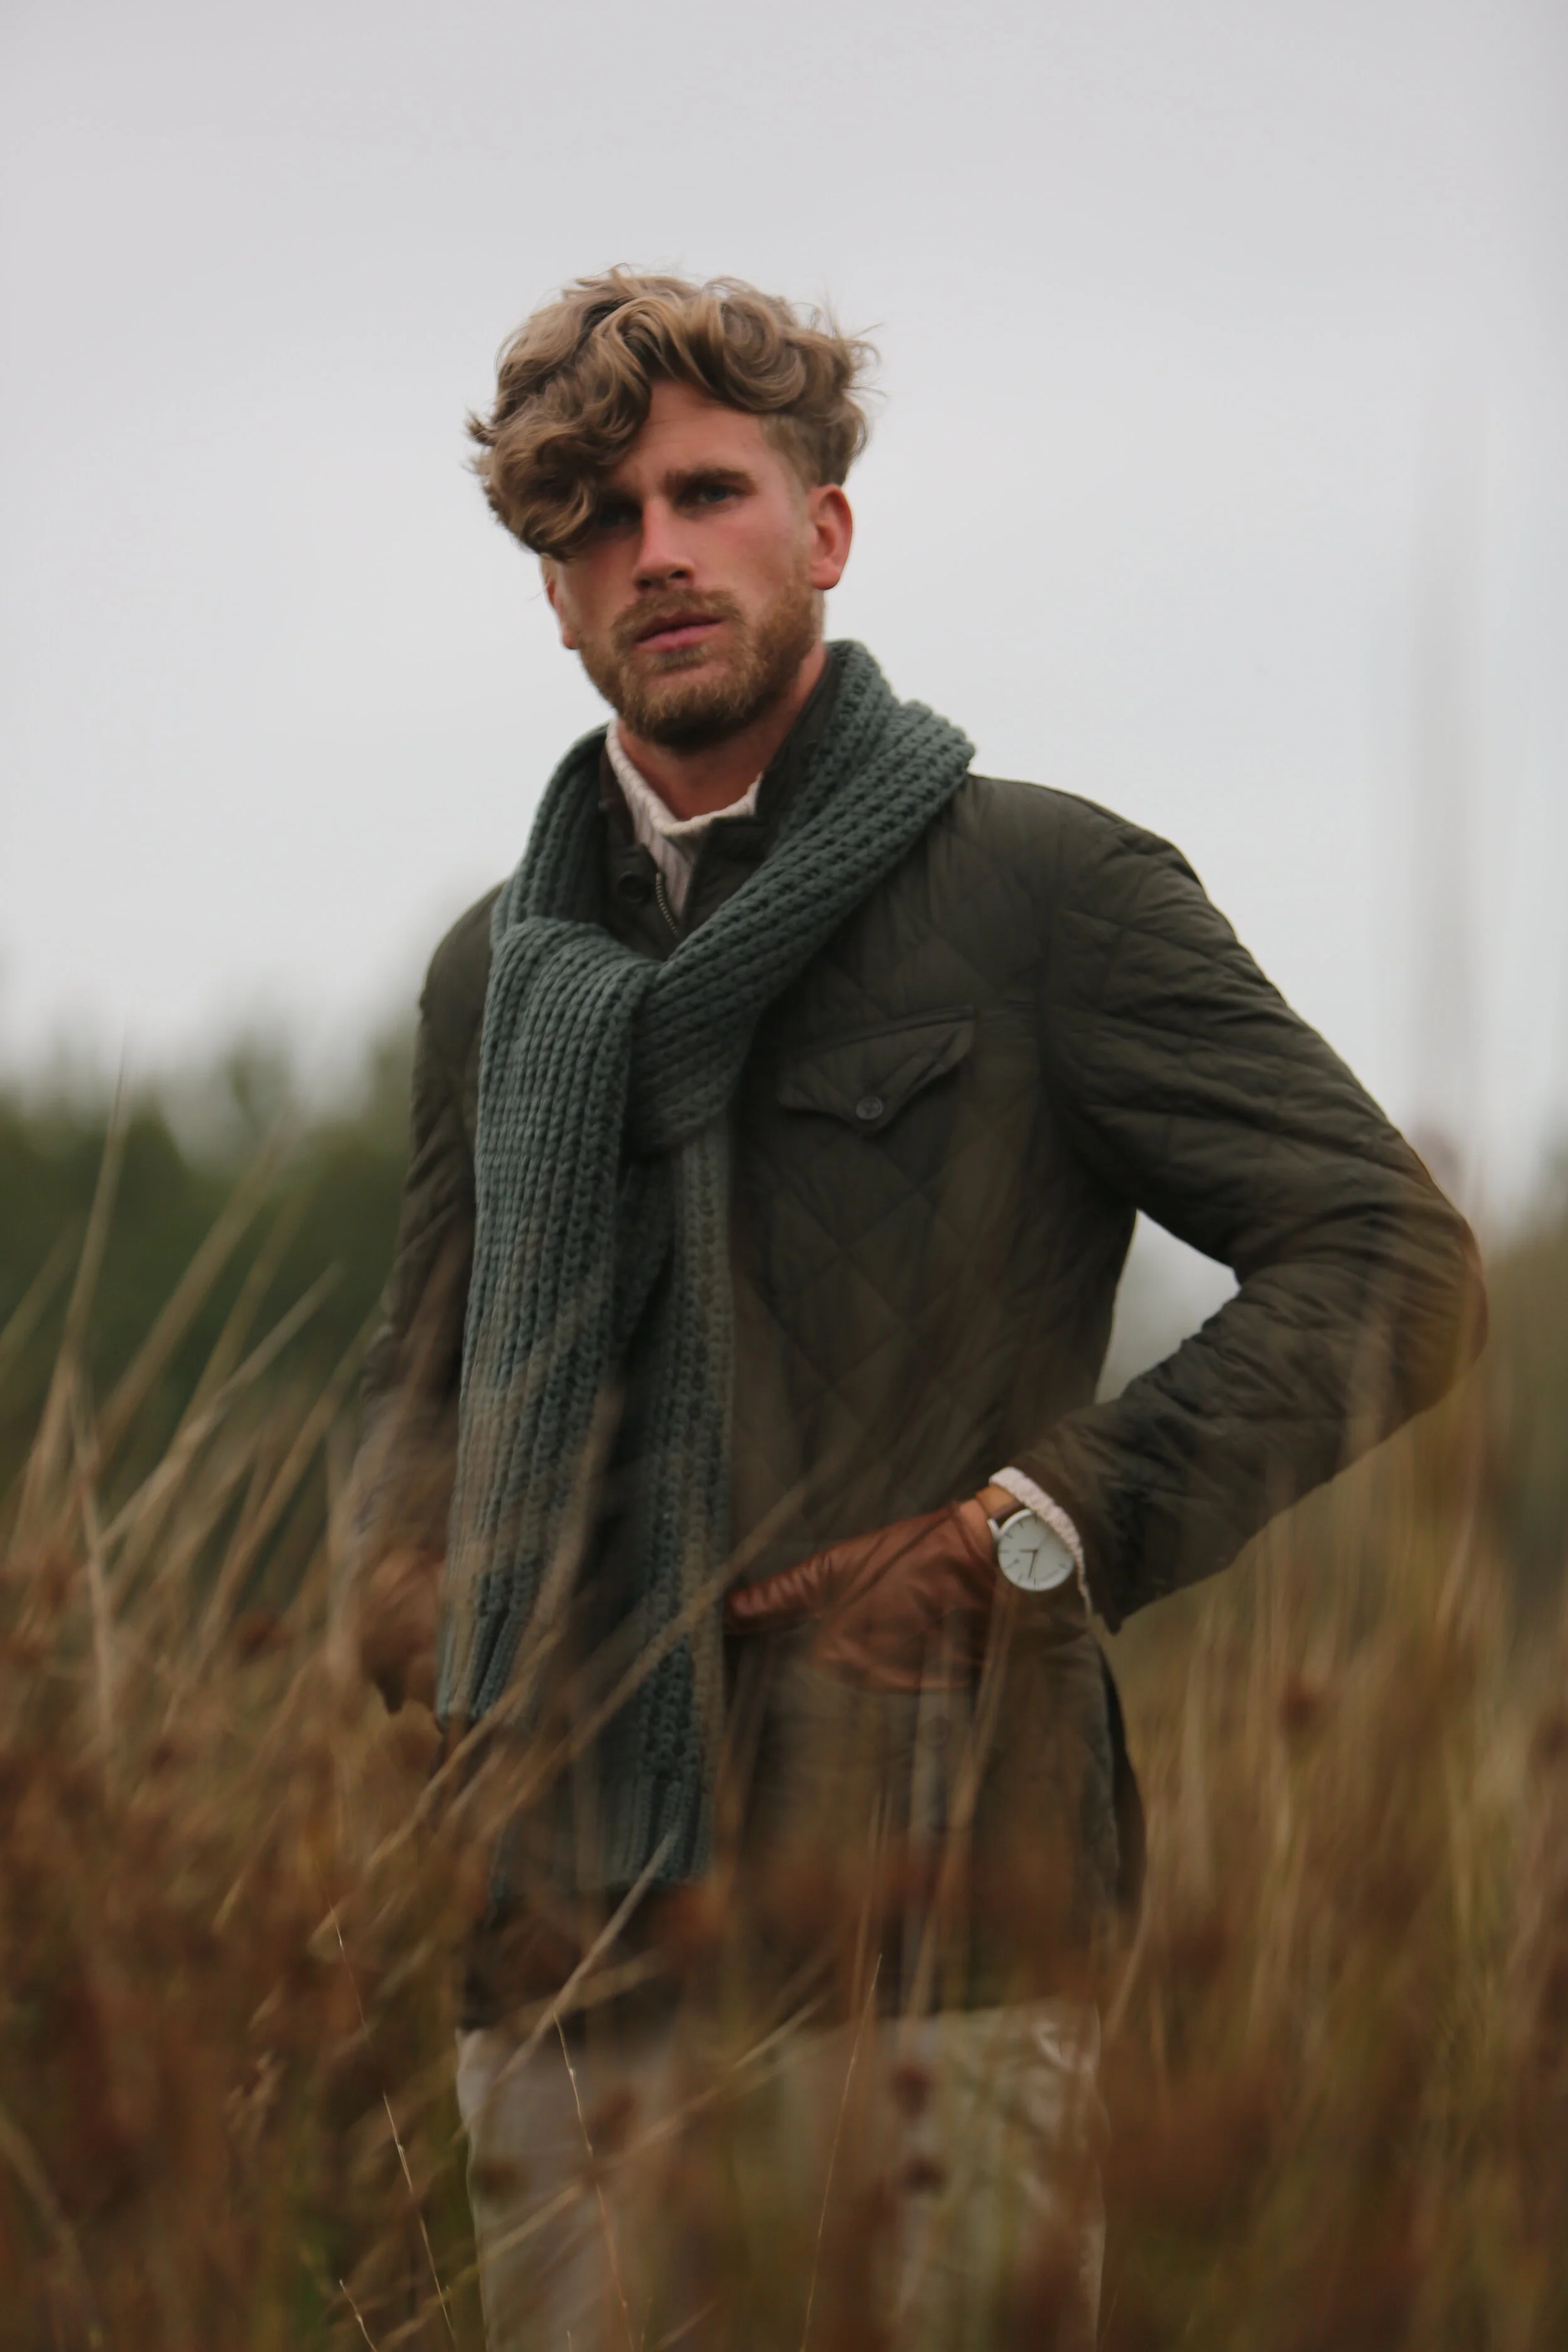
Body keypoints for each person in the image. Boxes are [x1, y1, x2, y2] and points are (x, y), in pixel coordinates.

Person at [350, 270, 1485, 2349]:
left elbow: (1389, 1261)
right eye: (597, 519)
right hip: (557, 1954)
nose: (655, 551)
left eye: (706, 493)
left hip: (937, 1933)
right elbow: (419, 1364)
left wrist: (1024, 1535)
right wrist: (408, 1577)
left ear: (824, 529)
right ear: (556, 592)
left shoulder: (1044, 893)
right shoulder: (496, 976)